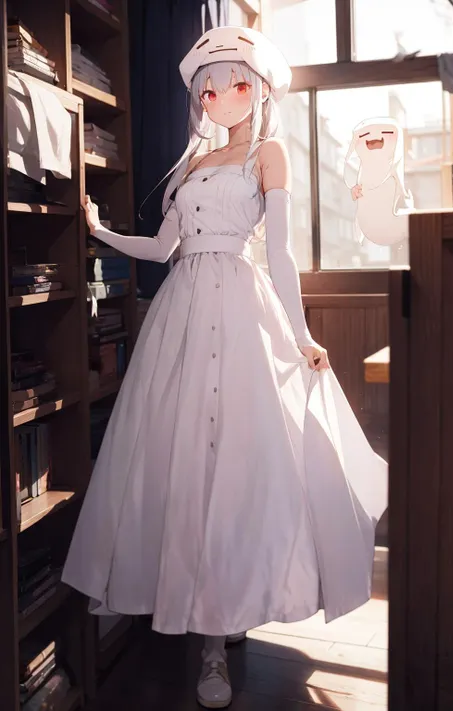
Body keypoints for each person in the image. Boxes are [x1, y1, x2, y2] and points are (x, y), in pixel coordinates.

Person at [61, 26, 387, 709]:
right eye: (207, 89)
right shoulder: (190, 165)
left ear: (259, 89)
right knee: (183, 462)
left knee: (238, 465)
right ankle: (206, 630)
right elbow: (159, 248)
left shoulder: (268, 154)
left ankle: (222, 622)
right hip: (182, 313)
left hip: (242, 310)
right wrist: (98, 229)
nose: (218, 97)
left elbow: (281, 255)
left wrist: (300, 334)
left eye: (234, 84)